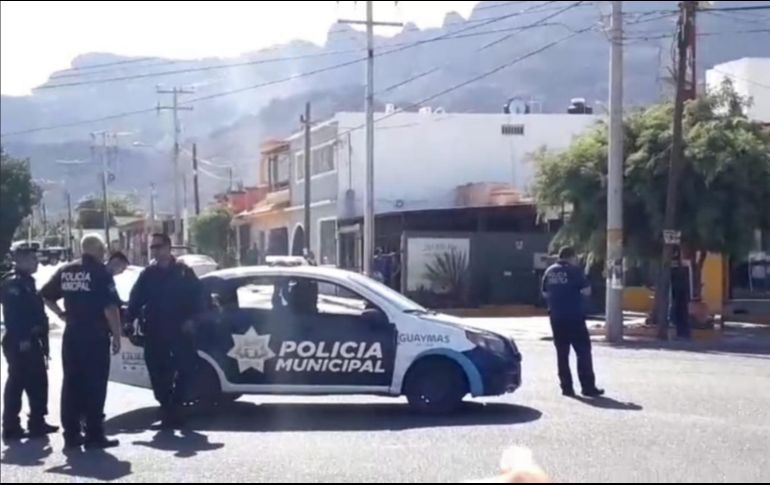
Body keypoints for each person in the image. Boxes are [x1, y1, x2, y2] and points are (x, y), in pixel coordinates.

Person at [41, 234, 122, 450]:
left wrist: (61, 314)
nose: (105, 251)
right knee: (95, 384)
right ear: (97, 249)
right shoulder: (100, 272)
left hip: (73, 334)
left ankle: (72, 434)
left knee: (72, 384)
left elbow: (47, 296)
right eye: (103, 248)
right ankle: (94, 433)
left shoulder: (67, 270)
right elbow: (110, 308)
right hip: (94, 336)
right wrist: (116, 335)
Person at [127, 233, 206, 429]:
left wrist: (193, 320)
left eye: (158, 246)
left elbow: (200, 298)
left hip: (180, 330)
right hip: (155, 329)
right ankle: (166, 405)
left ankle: (177, 404)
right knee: (157, 371)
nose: (154, 250)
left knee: (186, 368)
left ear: (169, 248)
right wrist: (129, 321)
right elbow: (135, 299)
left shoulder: (183, 272)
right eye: (152, 247)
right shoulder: (148, 274)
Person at [1, 248, 59, 442]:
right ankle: (10, 425)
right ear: (21, 260)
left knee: (38, 382)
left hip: (34, 340)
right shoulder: (12, 284)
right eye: (32, 259)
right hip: (20, 341)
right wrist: (24, 339)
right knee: (17, 383)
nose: (36, 262)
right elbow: (14, 317)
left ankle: (37, 421)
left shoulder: (28, 282)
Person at [541, 246, 604, 398]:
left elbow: (544, 293)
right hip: (574, 317)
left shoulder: (549, 272)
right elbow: (586, 290)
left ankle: (566, 388)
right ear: (571, 257)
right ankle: (587, 387)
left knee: (562, 353)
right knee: (582, 352)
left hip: (556, 318)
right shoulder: (575, 271)